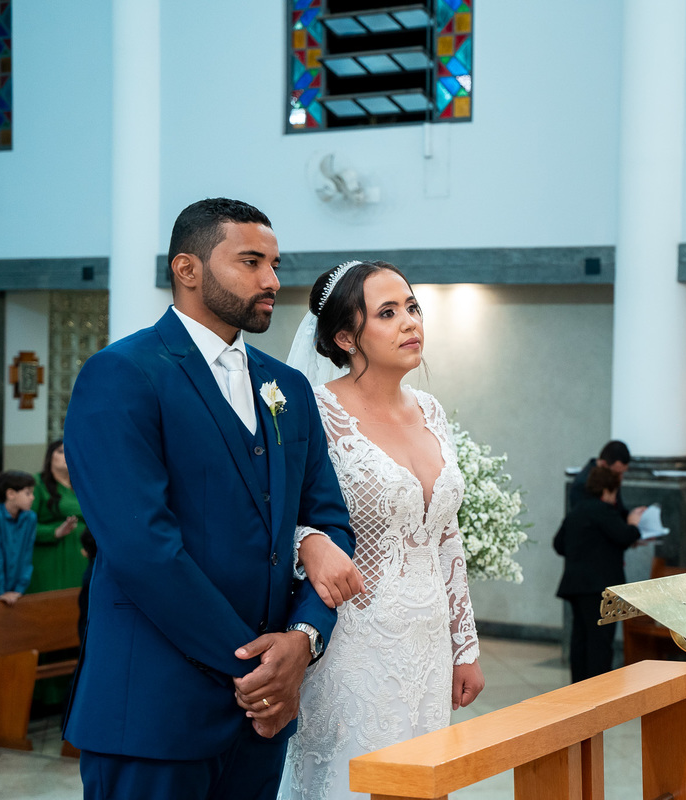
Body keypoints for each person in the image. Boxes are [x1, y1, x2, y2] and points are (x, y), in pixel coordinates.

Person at [63, 198, 356, 800]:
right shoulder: (122, 374)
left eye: (275, 264)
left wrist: (303, 640)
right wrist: (258, 667)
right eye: (251, 261)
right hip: (153, 709)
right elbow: (143, 549)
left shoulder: (289, 388)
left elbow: (327, 520)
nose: (272, 280)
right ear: (187, 269)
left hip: (262, 716)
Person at [280, 260, 484, 800]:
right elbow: (274, 514)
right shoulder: (315, 412)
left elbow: (446, 537)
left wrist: (464, 646)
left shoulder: (431, 411)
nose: (410, 323)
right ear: (346, 337)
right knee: (354, 779)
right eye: (388, 313)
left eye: (412, 308)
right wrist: (309, 541)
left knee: (420, 782)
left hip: (430, 641)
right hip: (353, 639)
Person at [554, 465, 643, 683]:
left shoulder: (577, 510)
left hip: (576, 585)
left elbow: (558, 544)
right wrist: (633, 524)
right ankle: (598, 690)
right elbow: (624, 536)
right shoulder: (605, 511)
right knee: (600, 642)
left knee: (581, 638)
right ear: (606, 491)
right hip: (601, 588)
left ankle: (578, 688)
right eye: (614, 493)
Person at [27, 439, 86, 593]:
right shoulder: (37, 484)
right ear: (49, 457)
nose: (66, 455)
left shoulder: (83, 486)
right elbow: (23, 526)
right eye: (60, 451)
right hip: (49, 560)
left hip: (82, 556)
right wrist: (54, 532)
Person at [0, 470, 37, 607]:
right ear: (11, 494)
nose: (32, 497)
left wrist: (19, 590)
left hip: (16, 592)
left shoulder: (30, 518)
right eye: (28, 493)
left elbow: (27, 556)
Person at [567, 440, 641, 519]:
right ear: (604, 464)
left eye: (622, 473)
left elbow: (619, 510)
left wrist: (635, 515)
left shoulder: (611, 477)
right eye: (617, 473)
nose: (620, 478)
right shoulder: (582, 484)